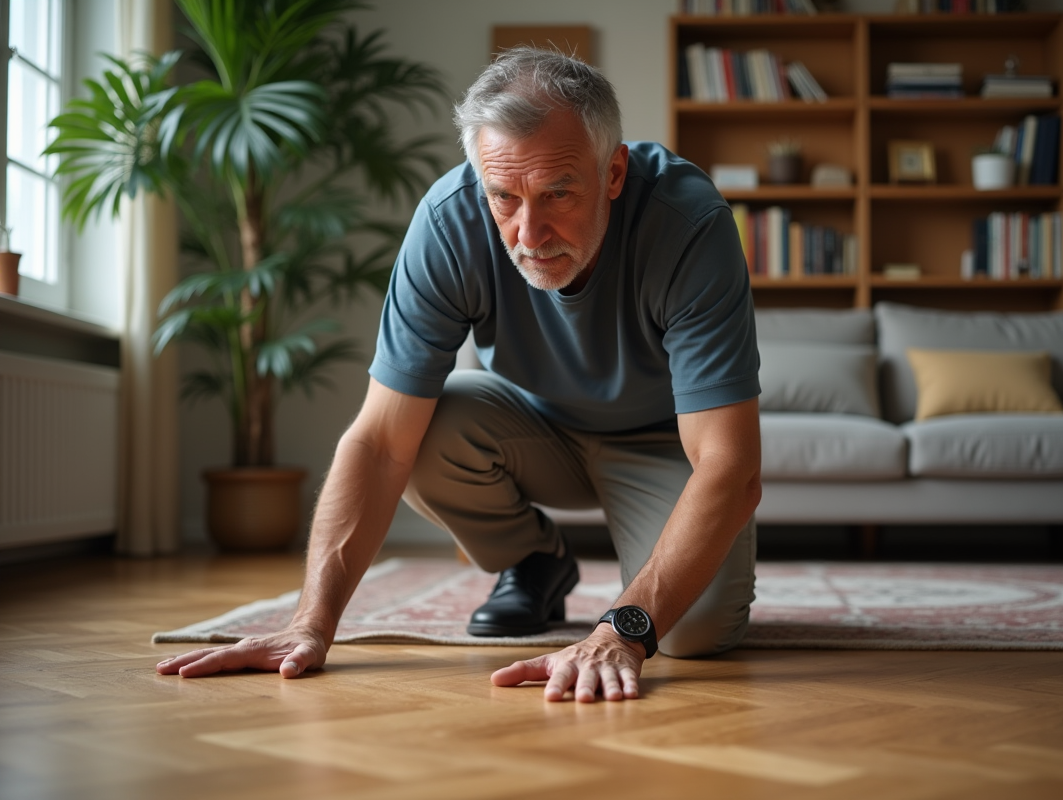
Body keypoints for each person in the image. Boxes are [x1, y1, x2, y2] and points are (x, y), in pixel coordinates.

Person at [157, 47, 761, 703]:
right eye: (504, 196)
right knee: (419, 429)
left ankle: (628, 596)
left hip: (661, 440)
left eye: (558, 192)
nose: (529, 232)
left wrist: (624, 628)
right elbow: (380, 443)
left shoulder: (689, 224)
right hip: (532, 428)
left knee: (693, 632)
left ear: (613, 171)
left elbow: (730, 466)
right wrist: (311, 624)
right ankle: (534, 562)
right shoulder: (448, 222)